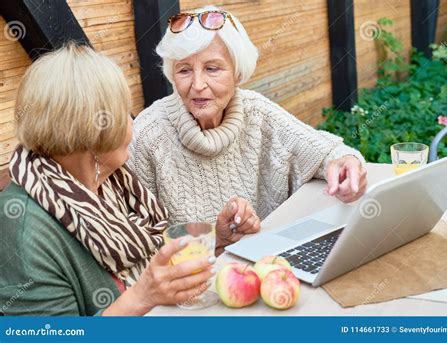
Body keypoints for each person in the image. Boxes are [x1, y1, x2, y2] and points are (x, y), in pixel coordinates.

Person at [0, 43, 258, 316]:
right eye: (124, 112)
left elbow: (152, 260)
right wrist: (140, 298)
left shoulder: (113, 183)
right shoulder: (23, 228)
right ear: (93, 127)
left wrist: (215, 240)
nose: (132, 123)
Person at [129, 6, 368, 227]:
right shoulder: (148, 134)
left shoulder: (256, 110)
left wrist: (344, 161)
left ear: (237, 72)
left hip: (265, 260)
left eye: (212, 68)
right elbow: (138, 236)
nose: (198, 84)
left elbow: (322, 151)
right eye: (184, 70)